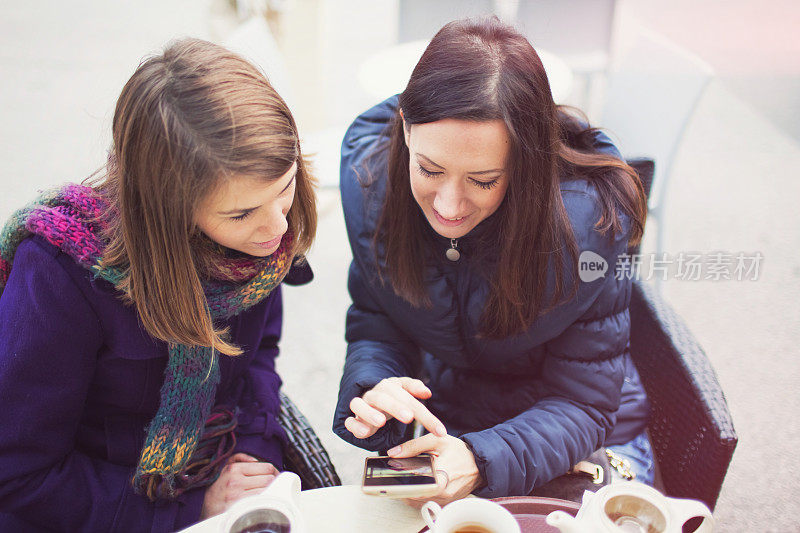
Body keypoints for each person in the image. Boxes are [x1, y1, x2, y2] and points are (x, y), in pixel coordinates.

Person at [0, 38, 316, 532]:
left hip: (225, 476)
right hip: (103, 510)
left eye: (286, 187)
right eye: (242, 213)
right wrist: (192, 508)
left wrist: (251, 459)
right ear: (169, 211)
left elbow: (257, 360)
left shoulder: (258, 245)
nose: (278, 228)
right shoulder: (58, 276)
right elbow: (19, 475)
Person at [333, 17, 653, 505]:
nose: (449, 205)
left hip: (591, 447)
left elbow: (585, 405)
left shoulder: (588, 226)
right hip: (458, 430)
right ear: (405, 126)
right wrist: (375, 387)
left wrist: (483, 460)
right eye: (430, 169)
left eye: (483, 180)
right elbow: (378, 324)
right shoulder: (373, 190)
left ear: (526, 160)